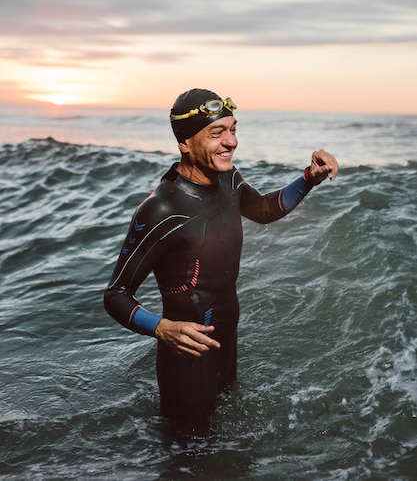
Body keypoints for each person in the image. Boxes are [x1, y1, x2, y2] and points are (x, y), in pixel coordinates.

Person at [104, 88, 338, 430]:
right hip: (187, 352)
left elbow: (263, 210)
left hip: (227, 332)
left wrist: (308, 179)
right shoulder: (162, 209)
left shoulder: (229, 179)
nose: (231, 142)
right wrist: (162, 328)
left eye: (233, 129)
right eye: (217, 133)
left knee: (229, 441)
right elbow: (116, 295)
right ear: (185, 142)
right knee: (188, 450)